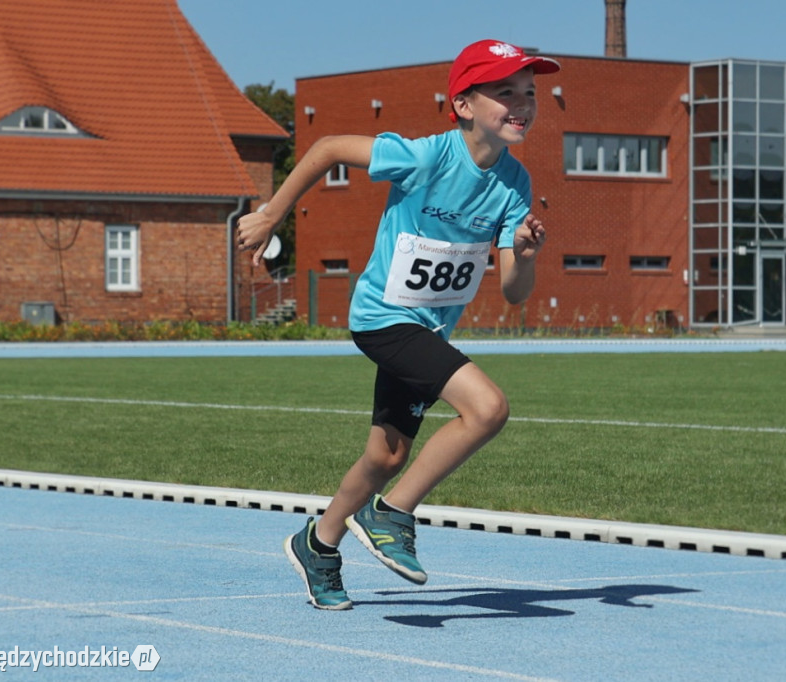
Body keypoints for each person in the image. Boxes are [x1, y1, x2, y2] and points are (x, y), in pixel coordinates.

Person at [235, 39, 560, 610]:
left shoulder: (515, 186)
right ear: (463, 105)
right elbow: (331, 147)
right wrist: (271, 213)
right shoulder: (426, 157)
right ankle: (392, 512)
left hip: (427, 331)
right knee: (487, 408)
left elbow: (513, 293)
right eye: (504, 92)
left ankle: (319, 543)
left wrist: (526, 254)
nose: (522, 103)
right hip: (384, 318)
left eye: (529, 93)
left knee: (385, 456)